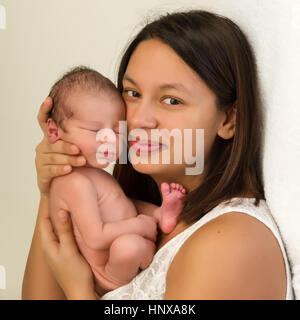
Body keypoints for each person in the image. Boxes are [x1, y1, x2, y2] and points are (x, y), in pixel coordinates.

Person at [22, 9, 293, 300]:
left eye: (172, 100)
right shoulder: (130, 208)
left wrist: (79, 290)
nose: (139, 119)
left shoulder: (230, 244)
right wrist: (58, 178)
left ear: (228, 119)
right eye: (133, 93)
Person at [46, 66, 186, 292]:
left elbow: (120, 204)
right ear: (54, 131)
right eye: (95, 131)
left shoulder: (93, 173)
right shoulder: (73, 183)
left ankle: (162, 215)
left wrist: (151, 214)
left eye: (117, 130)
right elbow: (96, 238)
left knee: (125, 204)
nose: (109, 140)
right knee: (127, 247)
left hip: (131, 234)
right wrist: (139, 224)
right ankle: (136, 258)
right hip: (107, 271)